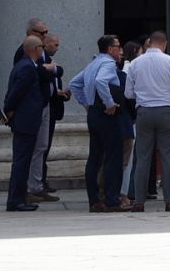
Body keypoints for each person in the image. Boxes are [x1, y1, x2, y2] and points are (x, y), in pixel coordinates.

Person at [124, 30, 170, 212]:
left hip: (144, 111)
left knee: (143, 157)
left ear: (149, 43)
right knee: (167, 158)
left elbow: (128, 93)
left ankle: (138, 201)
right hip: (166, 110)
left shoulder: (136, 63)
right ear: (165, 44)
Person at [70, 35, 125, 212]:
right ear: (110, 49)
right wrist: (109, 103)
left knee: (94, 157)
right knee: (112, 157)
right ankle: (111, 200)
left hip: (94, 114)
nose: (120, 50)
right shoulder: (108, 63)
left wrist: (88, 103)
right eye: (118, 46)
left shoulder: (93, 63)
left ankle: (94, 200)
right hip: (106, 114)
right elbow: (101, 81)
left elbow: (74, 83)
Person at [3, 35, 50, 212]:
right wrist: (8, 109)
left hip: (24, 120)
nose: (43, 50)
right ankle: (16, 200)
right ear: (36, 49)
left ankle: (18, 198)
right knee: (22, 162)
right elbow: (16, 92)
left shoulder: (22, 65)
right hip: (26, 121)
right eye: (41, 47)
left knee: (21, 161)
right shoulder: (28, 68)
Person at [29, 31, 70, 202]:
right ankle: (35, 186)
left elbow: (58, 72)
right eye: (55, 44)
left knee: (43, 146)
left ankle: (39, 184)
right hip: (42, 108)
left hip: (51, 106)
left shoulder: (46, 59)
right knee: (39, 148)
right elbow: (46, 74)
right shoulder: (35, 60)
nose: (57, 48)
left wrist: (54, 70)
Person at [117, 40, 143, 205]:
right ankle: (123, 193)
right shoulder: (129, 69)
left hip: (129, 117)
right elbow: (129, 95)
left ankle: (125, 192)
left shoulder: (126, 69)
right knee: (127, 158)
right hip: (129, 118)